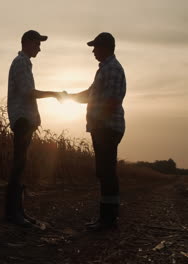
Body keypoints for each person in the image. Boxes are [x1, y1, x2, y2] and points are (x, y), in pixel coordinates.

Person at [5, 30, 66, 227]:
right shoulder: (21, 63)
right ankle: (13, 213)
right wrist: (54, 93)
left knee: (21, 165)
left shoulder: (24, 63)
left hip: (26, 119)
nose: (40, 48)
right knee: (18, 165)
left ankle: (18, 211)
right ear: (28, 43)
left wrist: (36, 117)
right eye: (38, 44)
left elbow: (26, 95)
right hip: (22, 119)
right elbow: (28, 93)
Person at [68, 32, 126, 231]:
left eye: (96, 47)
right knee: (104, 171)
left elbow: (112, 102)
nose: (93, 51)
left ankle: (108, 220)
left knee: (107, 172)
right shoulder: (104, 70)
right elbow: (90, 94)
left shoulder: (112, 70)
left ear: (106, 48)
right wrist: (68, 97)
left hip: (107, 127)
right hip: (103, 127)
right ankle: (107, 217)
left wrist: (97, 120)